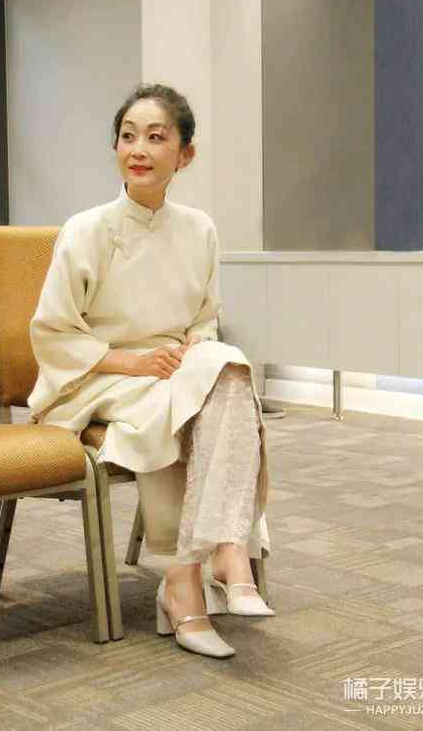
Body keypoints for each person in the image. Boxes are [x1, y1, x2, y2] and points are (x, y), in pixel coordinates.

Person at [27, 83, 274, 659]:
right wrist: (135, 362)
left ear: (185, 154)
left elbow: (205, 321)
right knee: (188, 400)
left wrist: (190, 351)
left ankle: (205, 562)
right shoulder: (85, 230)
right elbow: (53, 333)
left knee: (229, 372)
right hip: (97, 376)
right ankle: (210, 563)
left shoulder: (200, 229)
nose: (138, 149)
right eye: (128, 136)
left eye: (156, 137)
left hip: (174, 369)